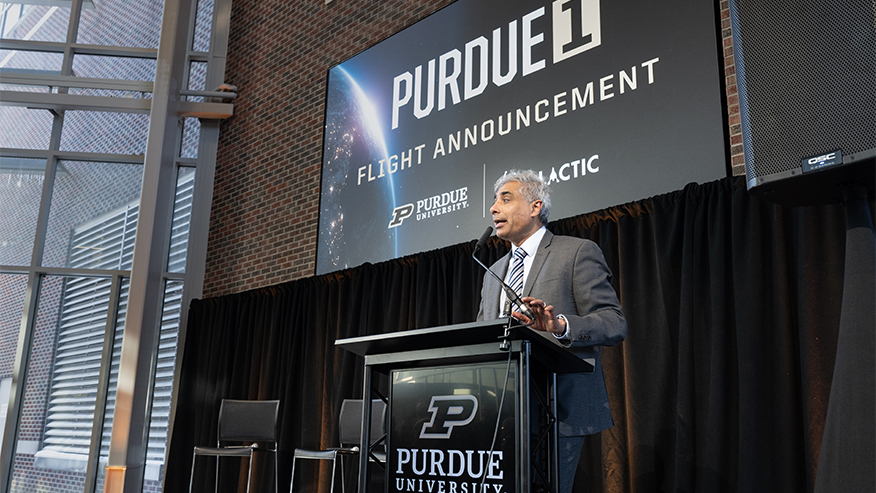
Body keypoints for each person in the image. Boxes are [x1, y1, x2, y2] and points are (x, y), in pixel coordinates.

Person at [476, 169, 627, 493]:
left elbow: (614, 322)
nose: (493, 208)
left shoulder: (575, 253)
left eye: (506, 198)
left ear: (535, 206)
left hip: (557, 409)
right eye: (494, 201)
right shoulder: (493, 274)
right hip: (499, 413)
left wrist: (561, 326)